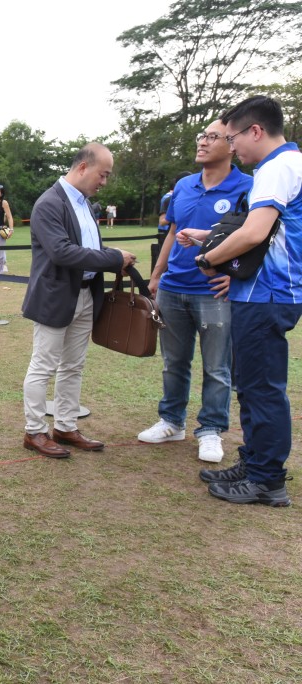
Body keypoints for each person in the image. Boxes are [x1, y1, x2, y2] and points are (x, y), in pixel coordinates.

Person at [187, 96, 302, 507]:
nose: (231, 147)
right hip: (266, 292)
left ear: (255, 131)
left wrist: (208, 259)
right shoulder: (290, 164)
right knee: (252, 386)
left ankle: (266, 479)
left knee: (261, 389)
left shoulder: (276, 168)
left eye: (233, 137)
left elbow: (254, 233)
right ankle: (254, 462)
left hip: (266, 294)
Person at [138, 122, 252, 462]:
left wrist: (238, 277)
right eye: (200, 136)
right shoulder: (184, 185)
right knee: (174, 362)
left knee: (217, 367)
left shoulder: (247, 186)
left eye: (212, 137)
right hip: (173, 288)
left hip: (214, 291)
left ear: (232, 145)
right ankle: (172, 422)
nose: (202, 142)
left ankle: (211, 430)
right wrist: (156, 275)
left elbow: (258, 236)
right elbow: (172, 232)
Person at [21, 143, 136, 458]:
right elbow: (62, 252)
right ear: (83, 167)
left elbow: (85, 246)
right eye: (103, 174)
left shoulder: (87, 204)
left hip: (86, 294)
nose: (104, 182)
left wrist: (108, 260)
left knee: (73, 365)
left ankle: (65, 426)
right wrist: (113, 257)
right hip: (56, 297)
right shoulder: (49, 203)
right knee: (43, 365)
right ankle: (34, 431)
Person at [157, 172, 192, 236]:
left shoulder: (198, 198)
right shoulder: (169, 199)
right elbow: (162, 222)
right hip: (170, 233)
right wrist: (177, 216)